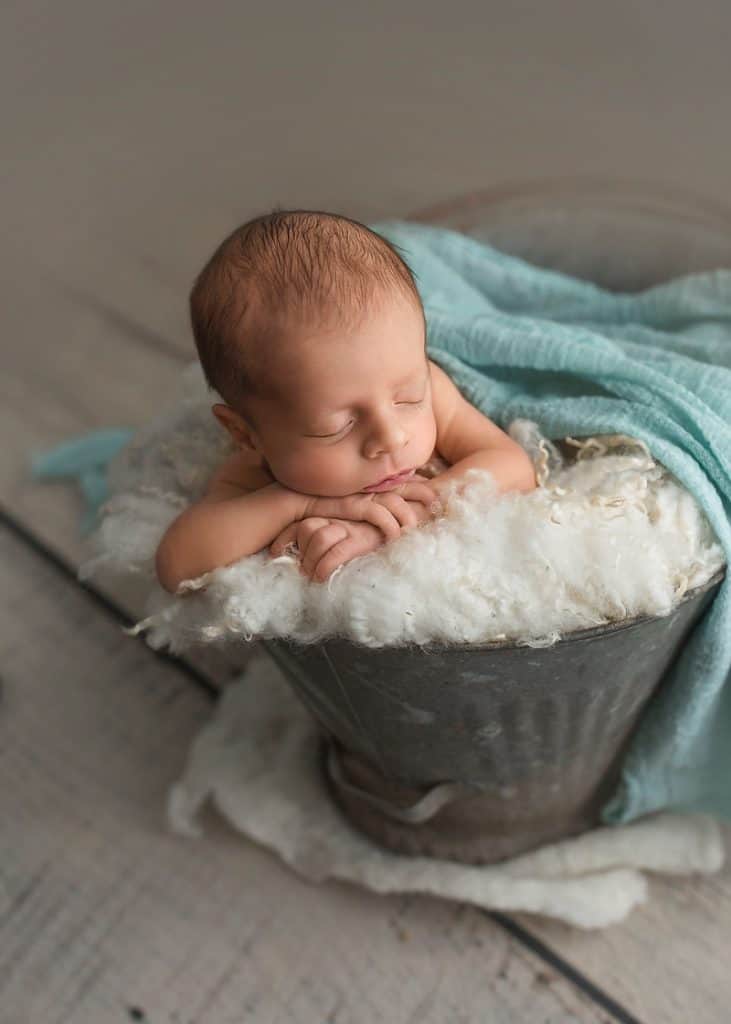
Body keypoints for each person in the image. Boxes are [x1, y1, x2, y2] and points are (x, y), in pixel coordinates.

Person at [155, 209, 536, 593]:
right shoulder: (257, 472)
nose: (391, 437)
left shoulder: (431, 387)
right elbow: (177, 564)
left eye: (408, 399)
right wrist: (297, 504)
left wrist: (416, 511)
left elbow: (514, 465)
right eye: (338, 426)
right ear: (248, 435)